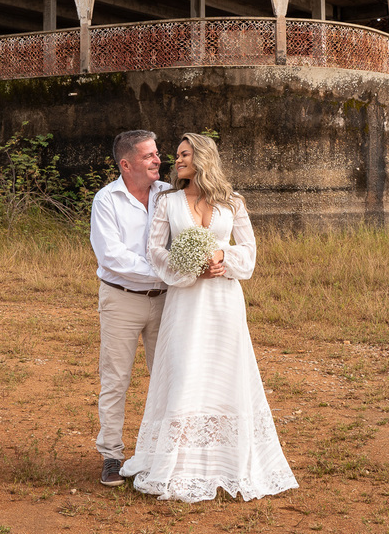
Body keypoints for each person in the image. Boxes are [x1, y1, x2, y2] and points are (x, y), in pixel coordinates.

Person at [120, 132, 298, 502]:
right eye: (177, 155)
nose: (177, 161)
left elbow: (248, 252)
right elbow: (154, 251)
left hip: (224, 302)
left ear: (203, 158)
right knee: (186, 371)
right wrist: (188, 269)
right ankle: (181, 463)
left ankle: (230, 461)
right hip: (185, 300)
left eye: (184, 155)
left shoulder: (232, 203)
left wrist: (221, 259)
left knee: (224, 373)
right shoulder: (167, 202)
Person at [89, 130, 172, 487]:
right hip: (121, 298)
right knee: (116, 378)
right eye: (148, 156)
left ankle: (161, 453)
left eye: (156, 153)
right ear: (126, 164)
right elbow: (111, 255)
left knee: (168, 376)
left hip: (169, 301)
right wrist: (163, 270)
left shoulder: (169, 193)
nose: (157, 160)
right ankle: (111, 454)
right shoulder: (107, 200)